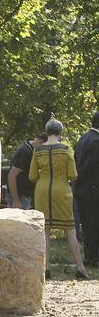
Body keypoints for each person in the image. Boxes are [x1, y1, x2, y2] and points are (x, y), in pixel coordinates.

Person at [29, 118, 89, 280]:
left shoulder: (38, 150)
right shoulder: (66, 149)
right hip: (62, 190)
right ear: (60, 132)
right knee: (70, 229)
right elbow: (73, 175)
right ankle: (80, 267)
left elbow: (32, 176)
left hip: (42, 190)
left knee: (45, 230)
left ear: (47, 131)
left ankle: (46, 267)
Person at [74, 111, 99, 267]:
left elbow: (76, 161)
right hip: (93, 189)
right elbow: (91, 165)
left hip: (82, 190)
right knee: (93, 224)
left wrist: (77, 179)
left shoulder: (83, 138)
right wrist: (80, 176)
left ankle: (89, 255)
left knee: (87, 224)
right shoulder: (96, 141)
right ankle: (92, 257)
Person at [8, 133, 47, 210]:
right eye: (44, 148)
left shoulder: (32, 150)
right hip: (20, 196)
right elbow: (11, 176)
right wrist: (16, 200)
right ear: (41, 142)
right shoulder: (25, 153)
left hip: (26, 194)